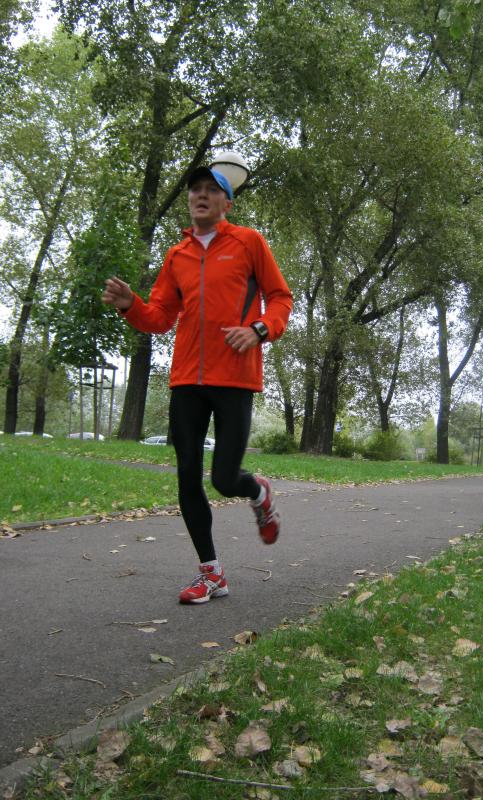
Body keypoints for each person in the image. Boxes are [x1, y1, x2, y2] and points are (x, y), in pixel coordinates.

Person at [102, 165, 293, 604]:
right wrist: (131, 305)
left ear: (228, 203)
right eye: (195, 190)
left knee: (224, 478)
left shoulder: (249, 243)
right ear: (189, 201)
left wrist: (260, 330)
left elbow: (281, 298)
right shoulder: (177, 256)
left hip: (235, 377)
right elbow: (160, 317)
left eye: (211, 190)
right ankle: (211, 573)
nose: (201, 195)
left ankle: (258, 491)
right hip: (187, 379)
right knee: (187, 477)